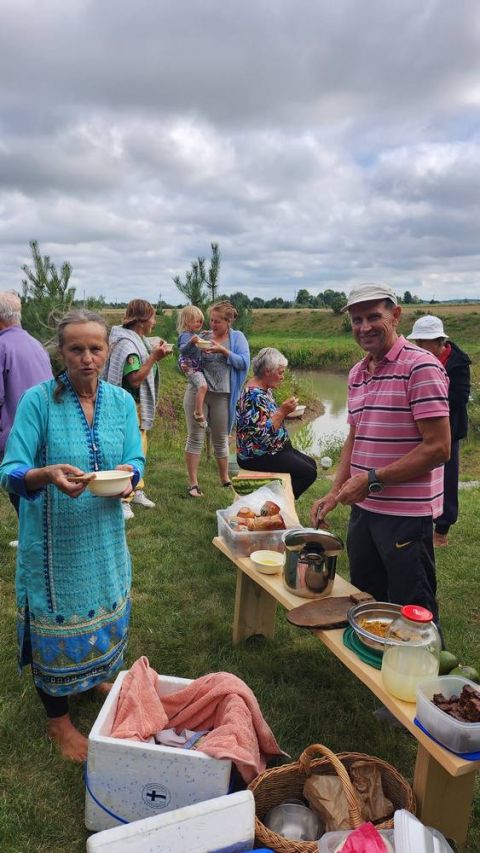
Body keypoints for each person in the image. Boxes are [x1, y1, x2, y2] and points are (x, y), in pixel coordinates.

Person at [0, 310, 144, 762]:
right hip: (54, 543)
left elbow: (135, 457)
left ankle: (93, 675)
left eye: (95, 348)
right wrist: (45, 474)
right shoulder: (38, 402)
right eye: (76, 349)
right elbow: (10, 470)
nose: (86, 358)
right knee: (56, 618)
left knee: (105, 603)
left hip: (105, 535)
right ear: (60, 353)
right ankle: (58, 721)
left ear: (107, 351)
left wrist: (130, 475)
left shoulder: (121, 402)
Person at [310, 283, 450, 622]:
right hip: (363, 511)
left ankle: (423, 658)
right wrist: (335, 491)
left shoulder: (421, 367)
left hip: (405, 517)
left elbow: (439, 447)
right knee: (368, 602)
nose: (365, 327)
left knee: (412, 611)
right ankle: (376, 655)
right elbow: (355, 436)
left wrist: (372, 480)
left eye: (374, 317)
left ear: (396, 315)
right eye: (357, 320)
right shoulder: (358, 372)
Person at [407, 315, 471, 548]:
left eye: (422, 342)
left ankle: (442, 530)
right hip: (420, 428)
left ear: (438, 341)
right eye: (416, 342)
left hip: (449, 430)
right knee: (416, 473)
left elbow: (459, 397)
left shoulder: (458, 363)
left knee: (447, 478)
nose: (418, 346)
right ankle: (416, 518)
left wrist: (428, 397)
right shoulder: (416, 360)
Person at [104, 299, 171, 519]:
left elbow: (144, 347)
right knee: (128, 449)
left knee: (140, 448)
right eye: (152, 317)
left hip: (137, 406)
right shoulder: (128, 346)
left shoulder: (134, 339)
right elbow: (134, 379)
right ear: (142, 320)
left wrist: (154, 347)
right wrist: (154, 357)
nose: (154, 322)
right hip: (128, 405)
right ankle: (123, 498)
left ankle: (136, 487)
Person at [183, 300, 250, 497]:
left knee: (221, 438)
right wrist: (187, 358)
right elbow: (186, 357)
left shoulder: (237, 338)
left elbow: (244, 362)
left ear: (228, 322)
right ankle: (193, 483)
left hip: (222, 395)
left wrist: (223, 351)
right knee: (195, 437)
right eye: (211, 320)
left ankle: (224, 478)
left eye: (217, 321)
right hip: (198, 393)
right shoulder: (203, 336)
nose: (212, 325)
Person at [236, 347, 317, 498]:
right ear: (267, 371)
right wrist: (282, 412)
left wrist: (284, 411)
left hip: (274, 448)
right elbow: (260, 437)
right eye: (280, 372)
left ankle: (279, 497)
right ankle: (275, 503)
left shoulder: (263, 388)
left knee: (311, 464)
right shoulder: (253, 397)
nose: (282, 377)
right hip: (257, 455)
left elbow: (267, 418)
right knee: (308, 473)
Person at [0, 291, 53, 518]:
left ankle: (33, 534)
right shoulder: (35, 343)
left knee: (22, 496)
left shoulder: (1, 346)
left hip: (14, 440)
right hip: (44, 432)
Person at [177, 305, 208, 428]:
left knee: (201, 386)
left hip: (194, 366)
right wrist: (191, 342)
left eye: (201, 321)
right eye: (197, 321)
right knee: (203, 386)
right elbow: (183, 350)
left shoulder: (192, 334)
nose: (200, 323)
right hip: (190, 367)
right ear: (187, 321)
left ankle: (198, 410)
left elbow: (196, 344)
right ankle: (198, 412)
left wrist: (202, 336)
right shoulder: (185, 335)